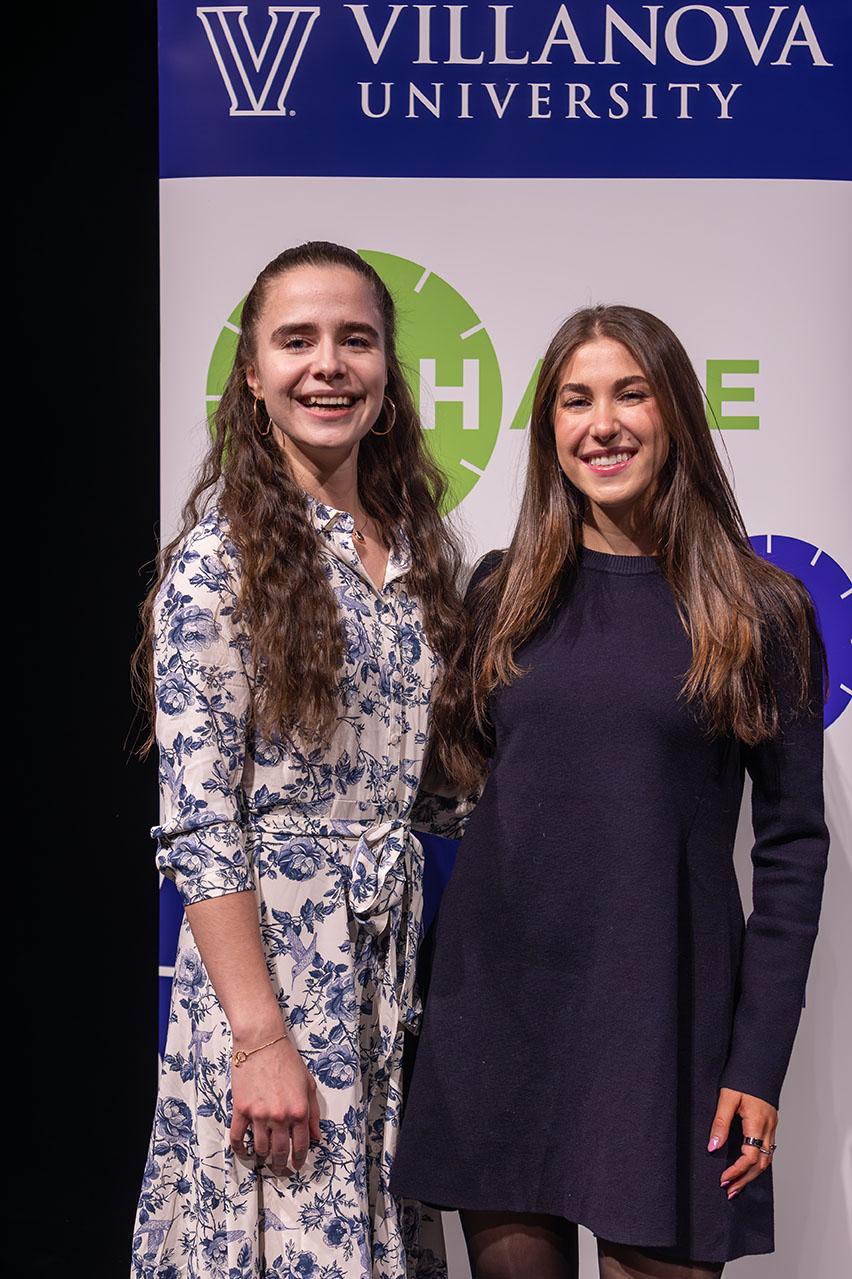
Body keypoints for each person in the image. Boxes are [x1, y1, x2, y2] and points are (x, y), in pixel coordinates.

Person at [390, 305, 829, 1279]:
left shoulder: (762, 609)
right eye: (576, 399)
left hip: (665, 1032)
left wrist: (757, 1065)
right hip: (499, 1027)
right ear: (549, 428)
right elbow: (442, 790)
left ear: (675, 413)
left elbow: (793, 851)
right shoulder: (503, 593)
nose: (604, 422)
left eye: (632, 392)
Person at [131, 241, 467, 1279]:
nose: (328, 364)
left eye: (355, 339)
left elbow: (440, 789)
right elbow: (197, 820)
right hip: (274, 986)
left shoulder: (415, 547)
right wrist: (259, 1038)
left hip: (388, 987)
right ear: (253, 374)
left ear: (387, 374)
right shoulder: (218, 558)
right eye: (297, 340)